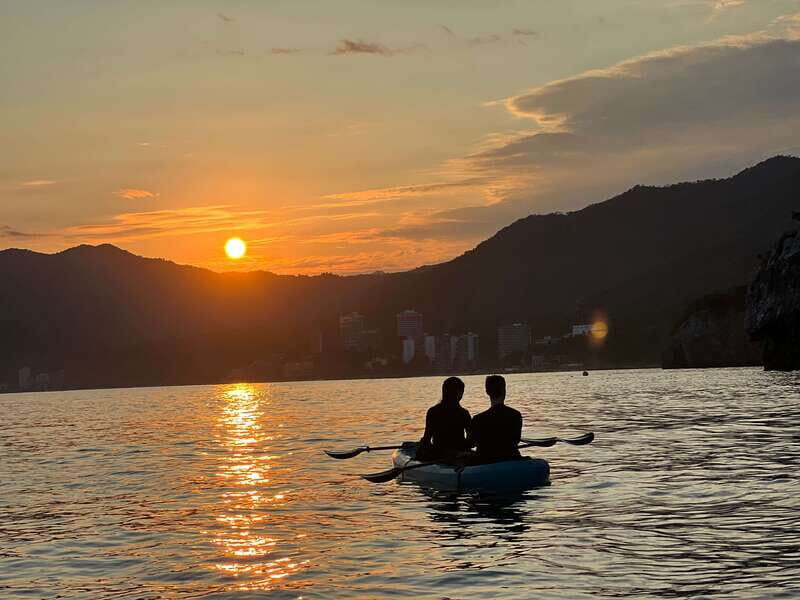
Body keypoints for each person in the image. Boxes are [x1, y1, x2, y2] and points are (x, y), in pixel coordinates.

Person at [416, 377, 471, 461]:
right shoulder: (464, 413)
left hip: (439, 455)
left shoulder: (432, 412)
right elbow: (471, 439)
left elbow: (427, 438)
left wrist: (421, 445)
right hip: (459, 454)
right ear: (459, 393)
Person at [469, 375, 522, 463]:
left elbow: (471, 443)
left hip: (485, 461)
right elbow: (516, 440)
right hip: (511, 458)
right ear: (504, 391)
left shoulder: (478, 419)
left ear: (487, 392)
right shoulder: (516, 415)